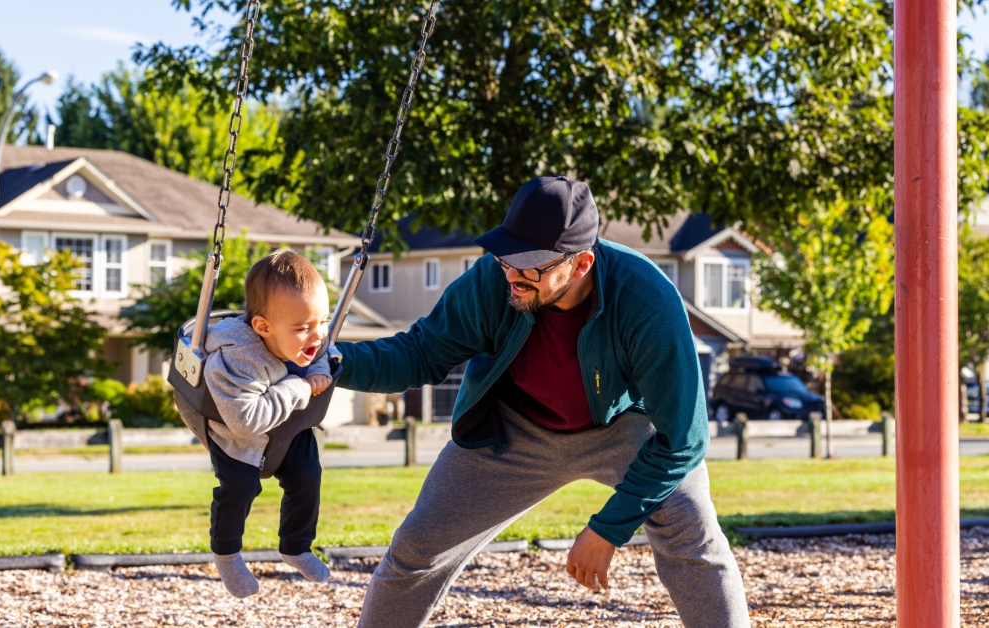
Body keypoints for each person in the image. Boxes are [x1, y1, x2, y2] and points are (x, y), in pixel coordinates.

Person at [336, 176, 750, 627]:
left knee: (695, 540)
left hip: (625, 429)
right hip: (514, 431)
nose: (513, 274)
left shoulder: (647, 302)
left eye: (530, 264)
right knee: (415, 547)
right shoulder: (496, 280)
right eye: (506, 257)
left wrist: (606, 529)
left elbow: (684, 440)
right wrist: (335, 362)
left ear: (580, 263)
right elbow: (421, 353)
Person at [192, 250, 337, 597]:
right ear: (263, 327)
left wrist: (316, 371)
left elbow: (323, 354)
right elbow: (245, 422)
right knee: (238, 489)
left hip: (287, 427)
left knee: (307, 476)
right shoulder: (238, 360)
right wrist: (300, 387)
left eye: (323, 321)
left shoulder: (308, 336)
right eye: (303, 328)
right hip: (236, 437)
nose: (317, 334)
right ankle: (227, 555)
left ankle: (296, 547)